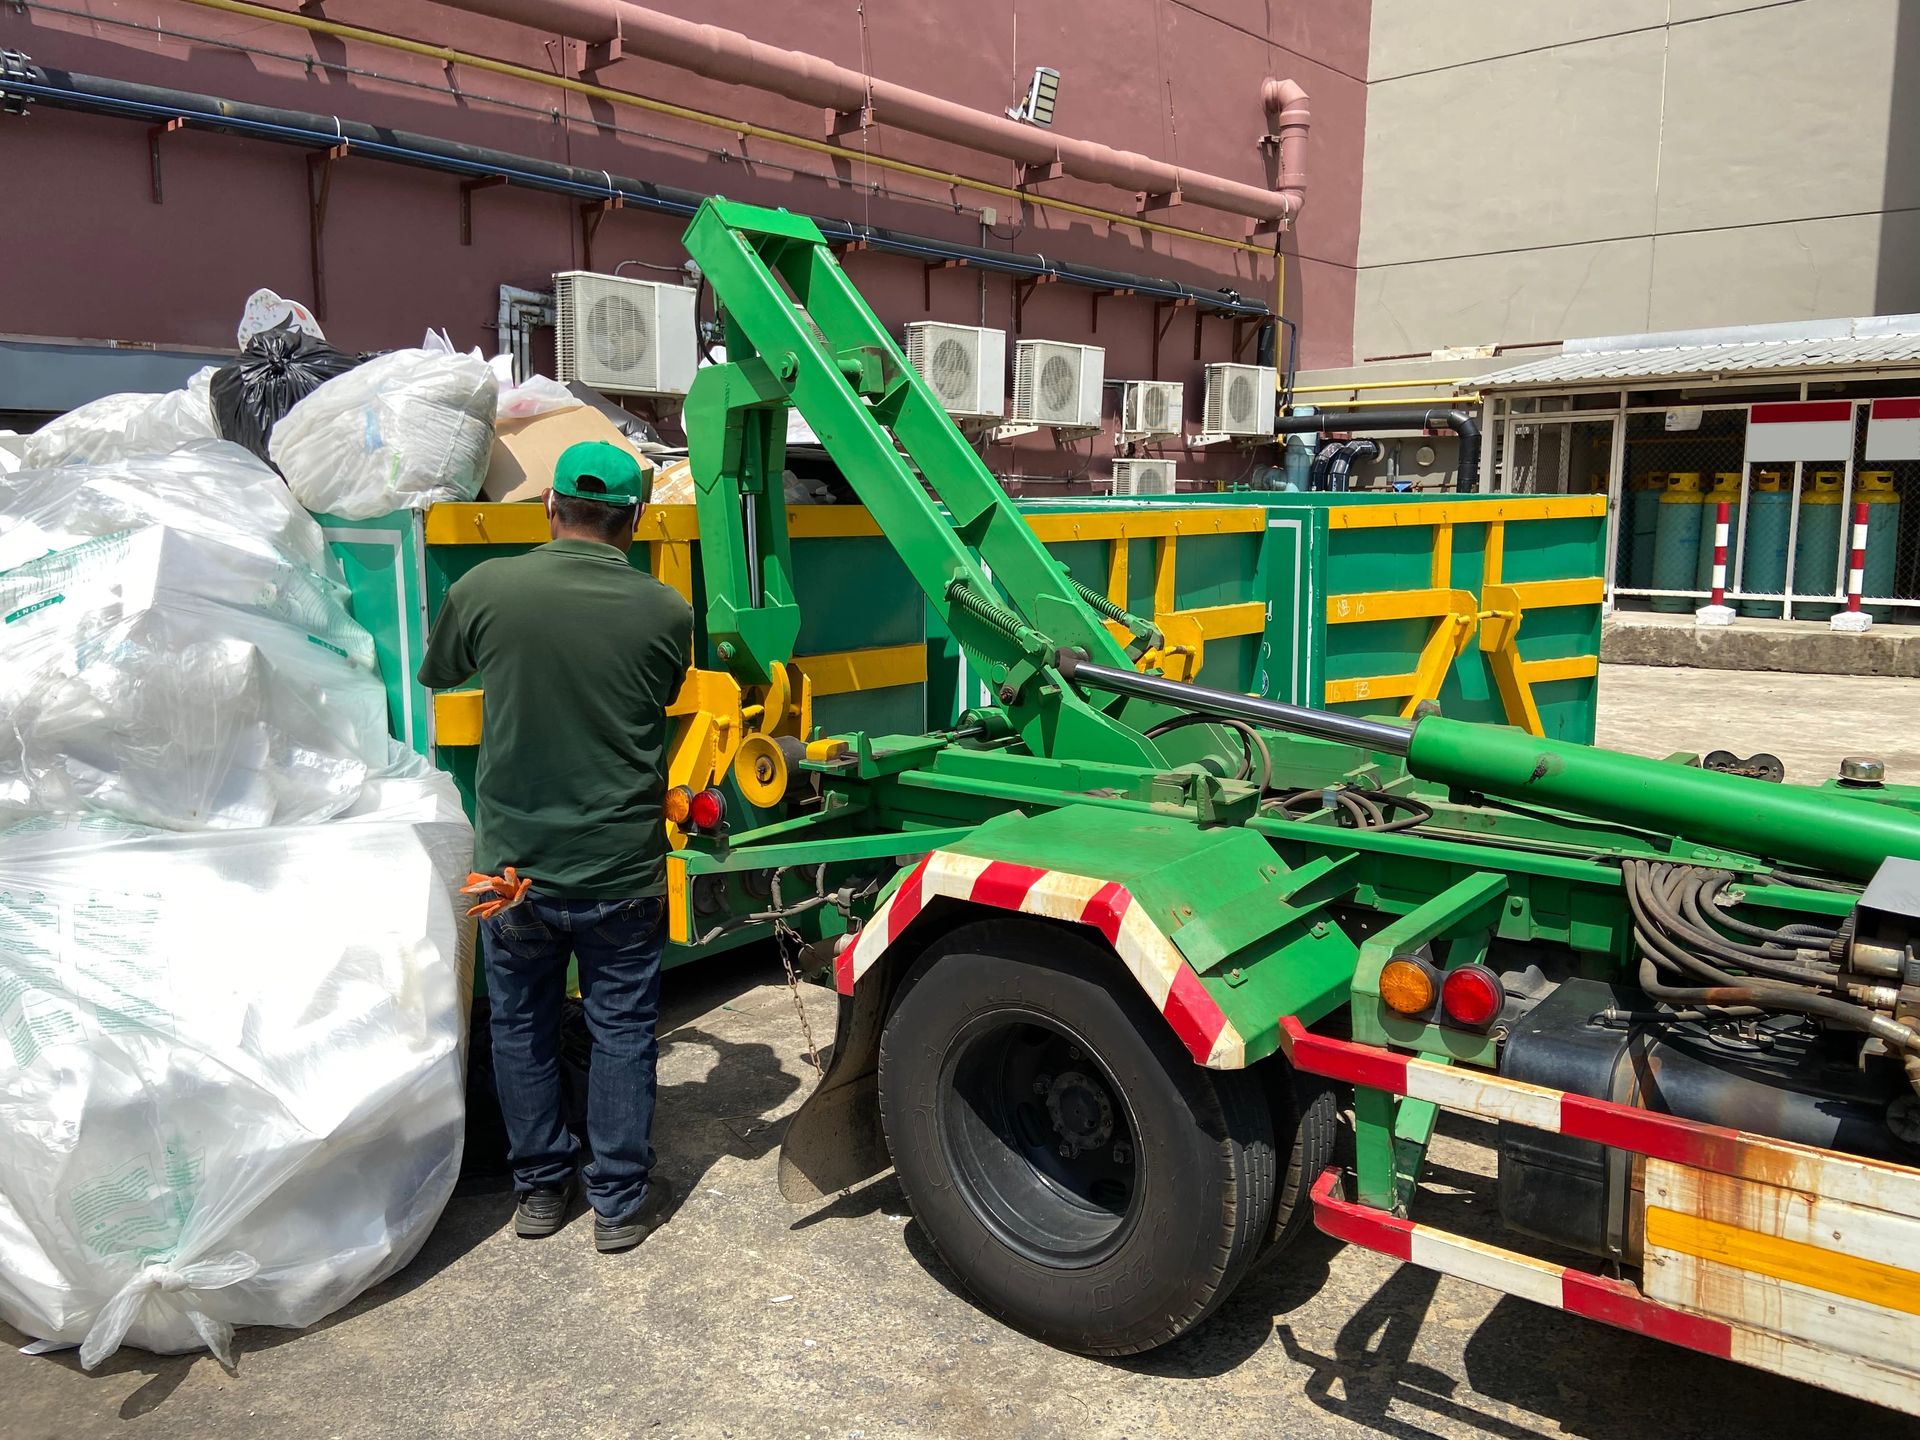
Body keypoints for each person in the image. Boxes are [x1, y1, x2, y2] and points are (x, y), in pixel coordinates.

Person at [418, 439, 691, 1253]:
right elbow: (664, 693)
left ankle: (540, 1191)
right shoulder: (665, 611)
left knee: (520, 1026)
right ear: (634, 521)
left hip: (514, 872)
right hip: (620, 865)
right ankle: (617, 1202)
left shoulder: (486, 588)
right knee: (621, 1030)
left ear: (549, 508)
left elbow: (442, 674)